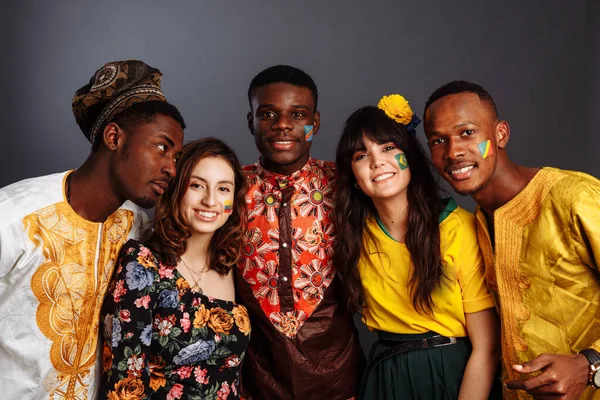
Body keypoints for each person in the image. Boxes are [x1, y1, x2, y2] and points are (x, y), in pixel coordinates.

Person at [0, 59, 185, 399]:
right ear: (114, 137)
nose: (171, 168)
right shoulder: (14, 215)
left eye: (176, 157)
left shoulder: (137, 230)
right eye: (162, 147)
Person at [423, 80, 600, 400]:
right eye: (438, 140)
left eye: (467, 133)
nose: (453, 152)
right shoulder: (474, 225)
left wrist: (591, 366)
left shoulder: (572, 196)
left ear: (500, 134)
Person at [334, 95, 501, 400]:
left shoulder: (456, 227)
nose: (377, 162)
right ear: (354, 178)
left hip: (451, 371)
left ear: (408, 156)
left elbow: (487, 347)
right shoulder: (353, 235)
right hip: (384, 375)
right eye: (361, 155)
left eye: (387, 148)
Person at [235, 65, 364, 399]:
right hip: (256, 377)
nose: (282, 124)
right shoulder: (228, 187)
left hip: (338, 376)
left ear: (315, 123)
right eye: (267, 114)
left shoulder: (345, 182)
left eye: (298, 114)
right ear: (251, 121)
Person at [101, 137, 250, 399]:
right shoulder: (142, 262)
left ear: (233, 200)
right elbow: (124, 384)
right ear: (176, 188)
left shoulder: (232, 265)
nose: (210, 201)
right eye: (196, 185)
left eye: (224, 189)